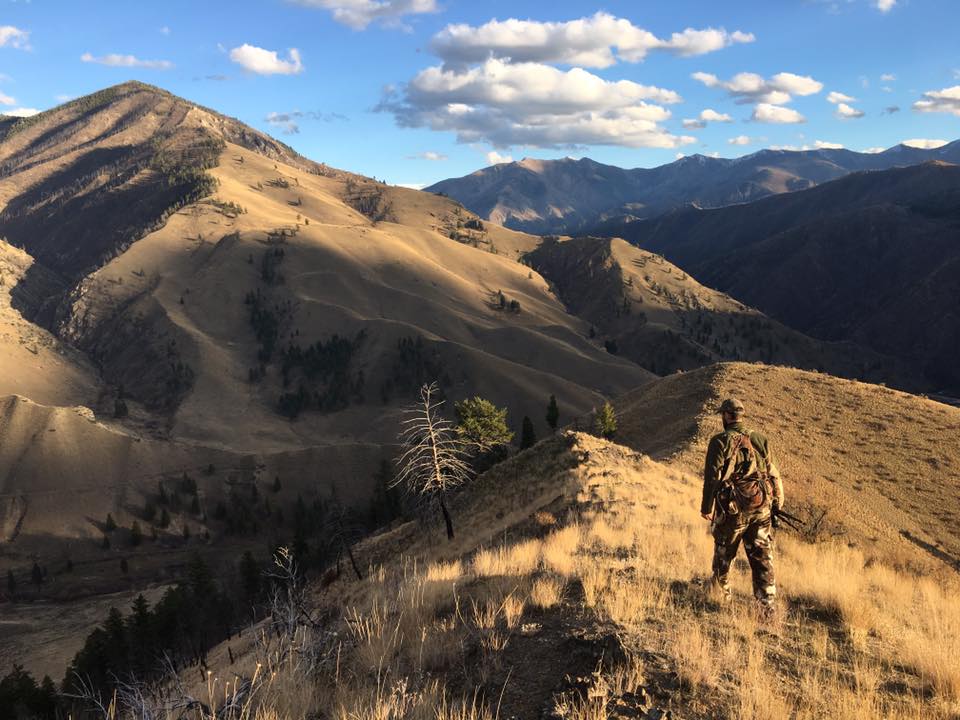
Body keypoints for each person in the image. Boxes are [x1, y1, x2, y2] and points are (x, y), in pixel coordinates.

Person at [701, 397, 784, 611]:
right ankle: (766, 605)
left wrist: (706, 507)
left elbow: (712, 478)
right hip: (761, 506)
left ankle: (720, 597)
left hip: (733, 510)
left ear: (725, 416)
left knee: (724, 553)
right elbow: (770, 473)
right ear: (741, 416)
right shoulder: (760, 439)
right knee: (762, 556)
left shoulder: (719, 441)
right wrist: (776, 504)